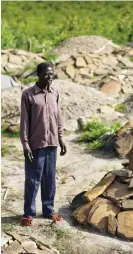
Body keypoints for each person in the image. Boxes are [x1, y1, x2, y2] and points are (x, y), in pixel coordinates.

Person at [20, 62, 67, 226]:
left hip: (52, 143)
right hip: (35, 144)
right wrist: (25, 144)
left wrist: (61, 138)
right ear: (38, 74)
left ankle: (48, 209)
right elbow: (24, 122)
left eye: (52, 74)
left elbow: (58, 116)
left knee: (50, 179)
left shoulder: (55, 93)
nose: (50, 77)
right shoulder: (28, 94)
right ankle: (28, 213)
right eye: (47, 74)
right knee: (33, 180)